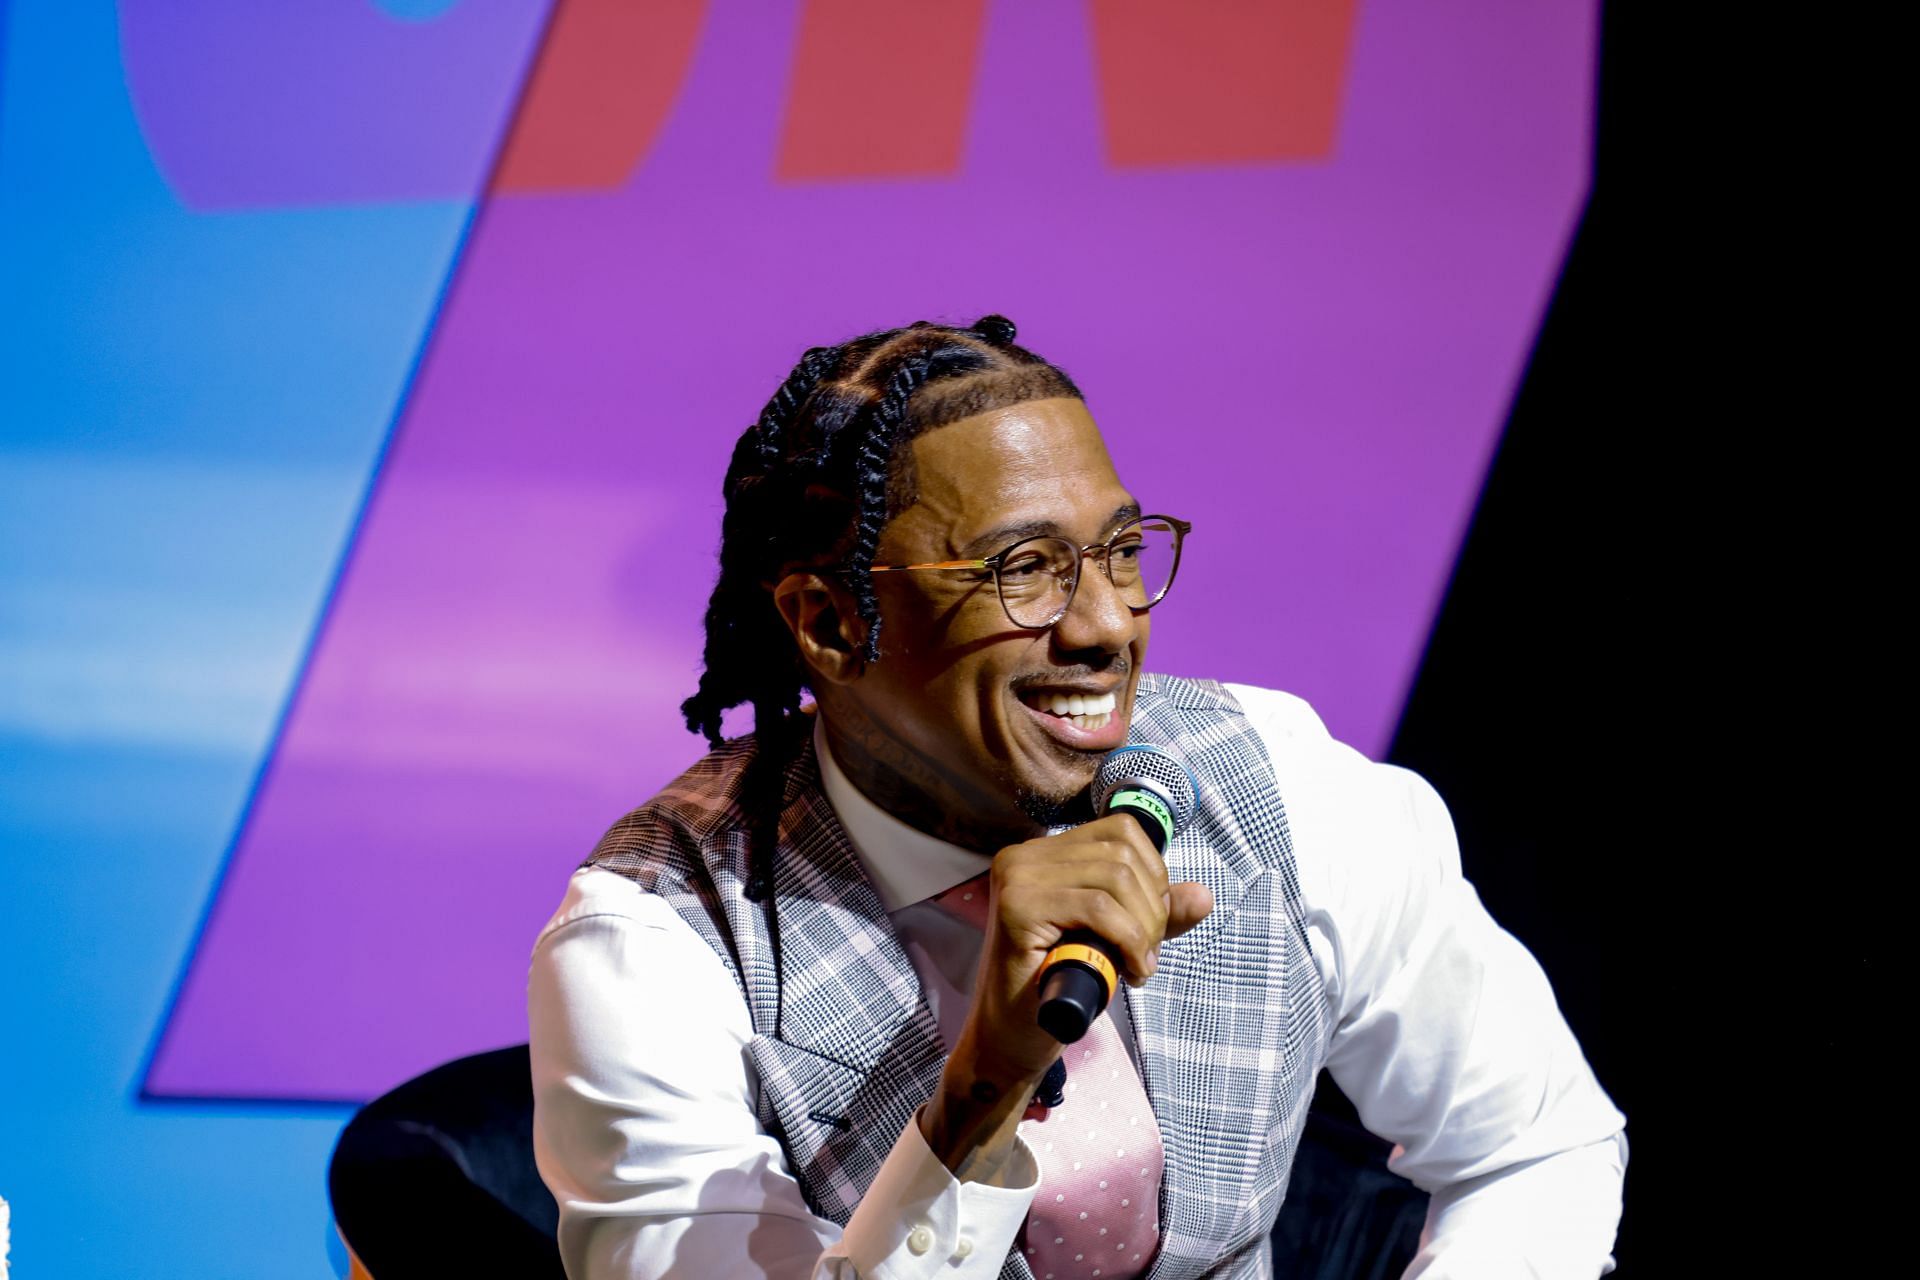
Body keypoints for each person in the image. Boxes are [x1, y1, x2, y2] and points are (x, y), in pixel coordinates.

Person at [527, 317, 1626, 1279]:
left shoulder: (1278, 785)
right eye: (1025, 569)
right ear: (829, 622)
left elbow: (1536, 1141)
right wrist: (981, 1090)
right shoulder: (658, 939)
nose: (1107, 626)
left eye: (1118, 551)